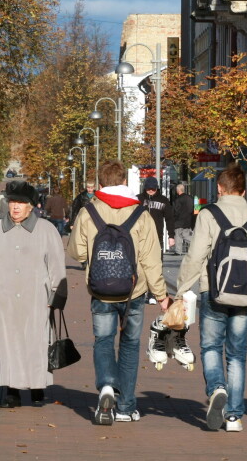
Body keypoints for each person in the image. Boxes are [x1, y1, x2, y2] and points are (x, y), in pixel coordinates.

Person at [68, 160, 169, 425]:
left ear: (100, 184)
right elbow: (151, 259)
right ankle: (125, 407)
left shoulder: (88, 212)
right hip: (133, 292)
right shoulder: (141, 213)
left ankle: (106, 386)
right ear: (125, 182)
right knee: (130, 345)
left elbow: (76, 251)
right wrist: (161, 294)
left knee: (103, 341)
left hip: (101, 291)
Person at [173, 165, 247, 432]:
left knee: (211, 346)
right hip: (244, 297)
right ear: (244, 190)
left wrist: (182, 288)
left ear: (219, 188)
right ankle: (234, 416)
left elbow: (196, 255)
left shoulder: (209, 214)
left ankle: (216, 388)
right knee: (237, 354)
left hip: (213, 291)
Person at [0, 181, 67, 408]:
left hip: (36, 299)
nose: (15, 207)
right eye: (13, 202)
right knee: (6, 343)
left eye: (21, 203)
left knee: (36, 343)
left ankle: (37, 386)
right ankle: (11, 389)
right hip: (1, 300)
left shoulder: (46, 230)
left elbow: (57, 266)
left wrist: (57, 296)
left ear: (31, 206)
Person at [138, 176, 175, 255]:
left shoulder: (163, 200)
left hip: (157, 235)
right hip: (141, 236)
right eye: (148, 188)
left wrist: (171, 236)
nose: (151, 190)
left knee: (157, 261)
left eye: (153, 188)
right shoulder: (138, 199)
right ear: (145, 188)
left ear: (157, 188)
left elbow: (169, 219)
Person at [173, 183, 193, 255]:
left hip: (179, 220)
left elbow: (175, 211)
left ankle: (178, 251)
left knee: (178, 235)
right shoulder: (190, 198)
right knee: (186, 234)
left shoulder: (178, 199)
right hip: (188, 219)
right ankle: (195, 242)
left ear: (178, 190)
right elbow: (192, 209)